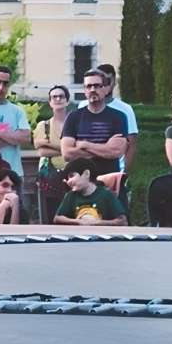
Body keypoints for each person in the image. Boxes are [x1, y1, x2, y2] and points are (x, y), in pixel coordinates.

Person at [60, 69, 130, 201]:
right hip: (80, 184)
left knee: (117, 220)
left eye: (97, 86)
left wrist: (84, 145)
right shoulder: (73, 117)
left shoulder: (119, 117)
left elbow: (117, 151)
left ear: (106, 89)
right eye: (88, 86)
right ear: (85, 90)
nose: (93, 89)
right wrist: (105, 148)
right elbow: (67, 154)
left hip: (109, 183)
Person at [0, 66, 32, 177]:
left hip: (14, 172)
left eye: (5, 83)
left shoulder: (17, 110)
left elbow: (26, 137)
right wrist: (13, 136)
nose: (1, 87)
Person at [31, 87, 72, 222]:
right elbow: (42, 151)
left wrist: (49, 144)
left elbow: (79, 150)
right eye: (54, 97)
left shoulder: (75, 123)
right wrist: (68, 149)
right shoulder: (44, 126)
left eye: (61, 96)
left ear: (67, 101)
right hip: (52, 179)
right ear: (50, 102)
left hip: (74, 176)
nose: (58, 99)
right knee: (52, 217)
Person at [53, 161, 127, 226]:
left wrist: (97, 223)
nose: (69, 182)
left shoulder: (106, 195)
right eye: (67, 179)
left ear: (86, 174)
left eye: (72, 176)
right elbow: (57, 218)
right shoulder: (71, 195)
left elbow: (122, 221)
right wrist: (78, 222)